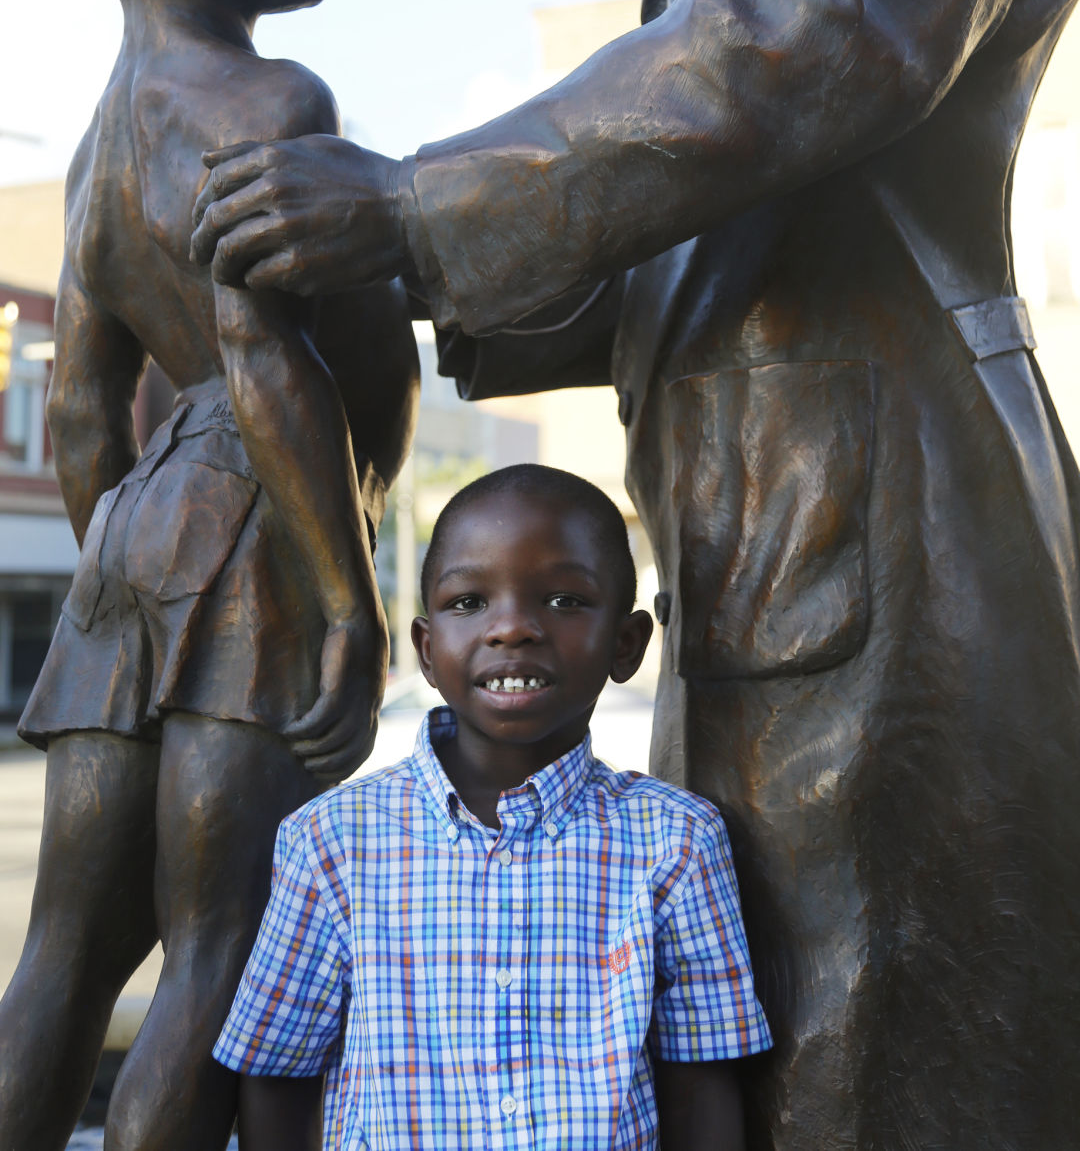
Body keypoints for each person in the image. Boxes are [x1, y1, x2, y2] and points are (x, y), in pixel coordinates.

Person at [190, 0, 1080, 1151]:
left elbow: (796, 46)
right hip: (761, 517)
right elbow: (688, 231)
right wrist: (398, 285)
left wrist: (418, 207)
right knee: (772, 1025)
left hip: (894, 495)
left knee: (905, 1034)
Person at [0, 0, 419, 1151]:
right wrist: (348, 604)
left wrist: (121, 560)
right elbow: (265, 362)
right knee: (218, 947)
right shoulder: (272, 102)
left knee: (61, 956)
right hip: (257, 530)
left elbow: (76, 404)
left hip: (130, 550)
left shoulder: (101, 139)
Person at [215, 463, 772, 1151]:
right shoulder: (330, 841)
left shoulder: (677, 840)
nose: (512, 628)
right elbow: (278, 1073)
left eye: (565, 600)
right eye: (468, 602)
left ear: (625, 645)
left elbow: (703, 1082)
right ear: (425, 648)